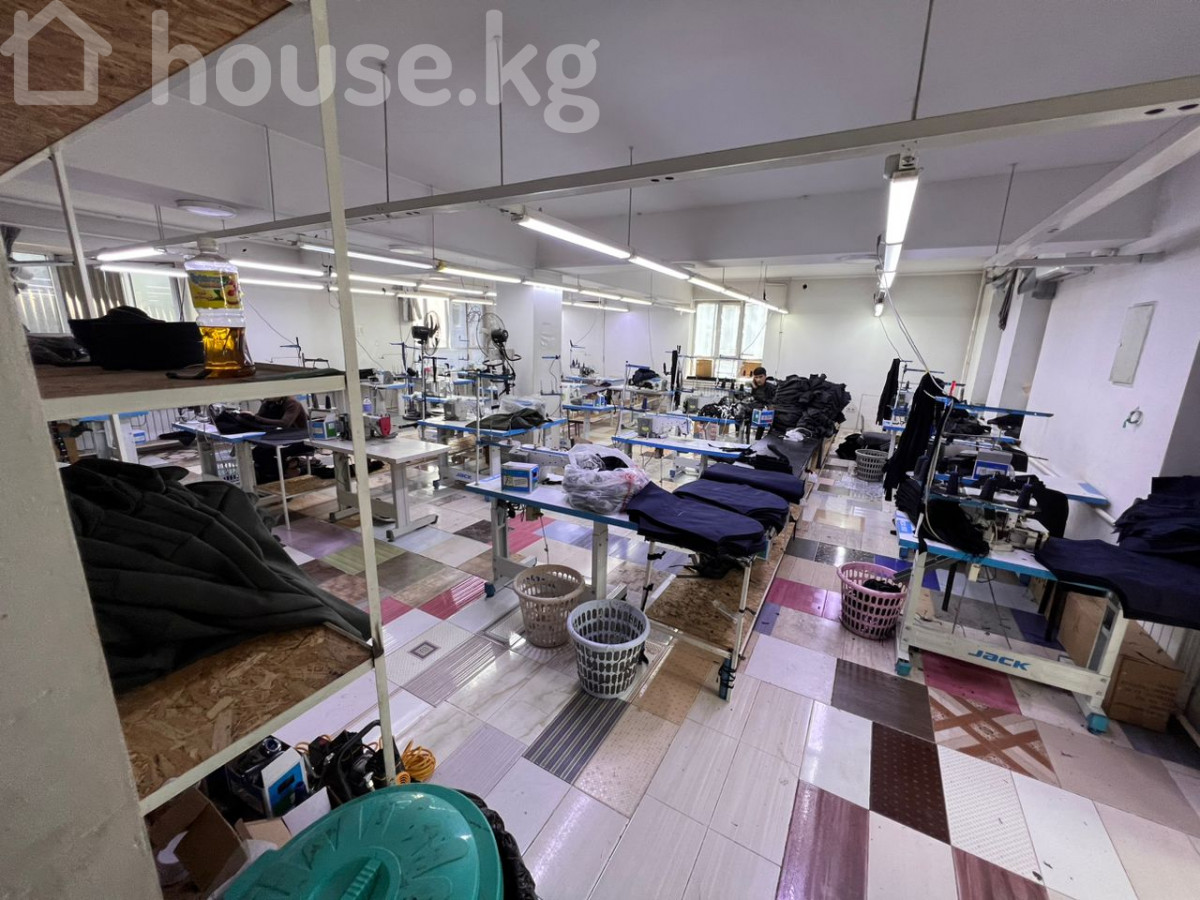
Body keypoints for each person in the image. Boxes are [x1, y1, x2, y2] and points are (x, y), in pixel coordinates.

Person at [240, 397, 311, 484]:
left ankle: (288, 470)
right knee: (257, 453)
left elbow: (284, 423)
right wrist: (249, 417)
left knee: (271, 454)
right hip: (282, 438)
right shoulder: (268, 403)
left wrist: (255, 417)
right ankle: (284, 470)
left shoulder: (292, 403)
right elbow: (259, 419)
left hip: (300, 440)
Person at [749, 366, 776, 439]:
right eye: (756, 377)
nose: (758, 380)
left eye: (761, 377)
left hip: (768, 411)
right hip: (759, 410)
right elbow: (753, 398)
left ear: (765, 376)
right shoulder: (755, 387)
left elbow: (773, 401)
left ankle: (767, 439)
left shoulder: (771, 388)